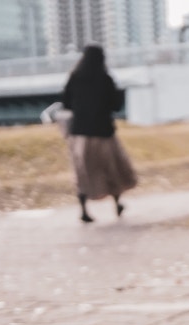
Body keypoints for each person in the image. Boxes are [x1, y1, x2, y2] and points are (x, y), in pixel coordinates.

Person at [59, 45, 137, 223]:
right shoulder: (105, 79)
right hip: (103, 133)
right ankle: (117, 204)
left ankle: (84, 210)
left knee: (83, 171)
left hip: (80, 134)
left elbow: (66, 103)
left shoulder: (75, 77)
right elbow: (116, 105)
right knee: (111, 168)